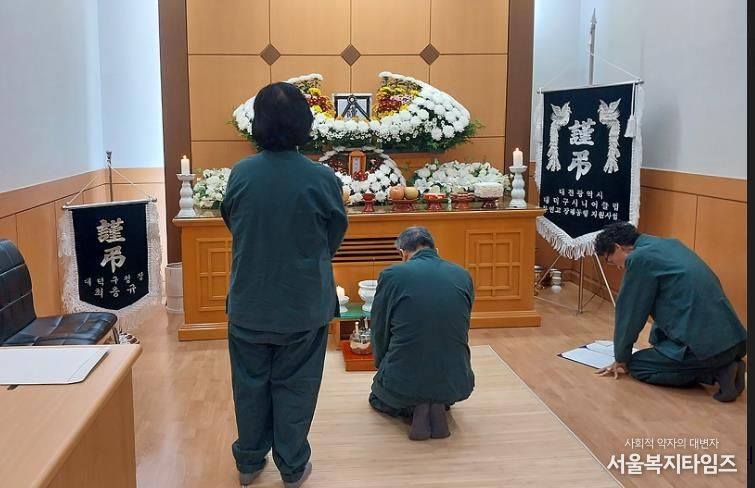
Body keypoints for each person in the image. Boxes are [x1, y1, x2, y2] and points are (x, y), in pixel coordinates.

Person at [220, 82, 348, 487]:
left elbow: (233, 222)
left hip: (250, 301)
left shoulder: (241, 174)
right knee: (297, 387)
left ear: (257, 123)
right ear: (304, 124)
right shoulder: (321, 178)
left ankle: (248, 463)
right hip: (303, 303)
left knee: (249, 385)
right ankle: (292, 468)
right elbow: (333, 236)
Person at [593, 222, 747, 402]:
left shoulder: (639, 258)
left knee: (638, 365)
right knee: (661, 350)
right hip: (735, 340)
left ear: (618, 247)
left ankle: (718, 372)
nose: (618, 267)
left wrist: (621, 358)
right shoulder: (670, 245)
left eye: (611, 261)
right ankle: (725, 365)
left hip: (710, 350)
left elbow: (629, 313)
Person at [368, 226, 475, 440]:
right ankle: (435, 403)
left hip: (404, 380)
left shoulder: (392, 275)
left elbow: (379, 327)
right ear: (435, 249)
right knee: (435, 378)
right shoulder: (463, 275)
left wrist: (381, 365)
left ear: (403, 253)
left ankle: (418, 408)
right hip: (457, 380)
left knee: (378, 397)